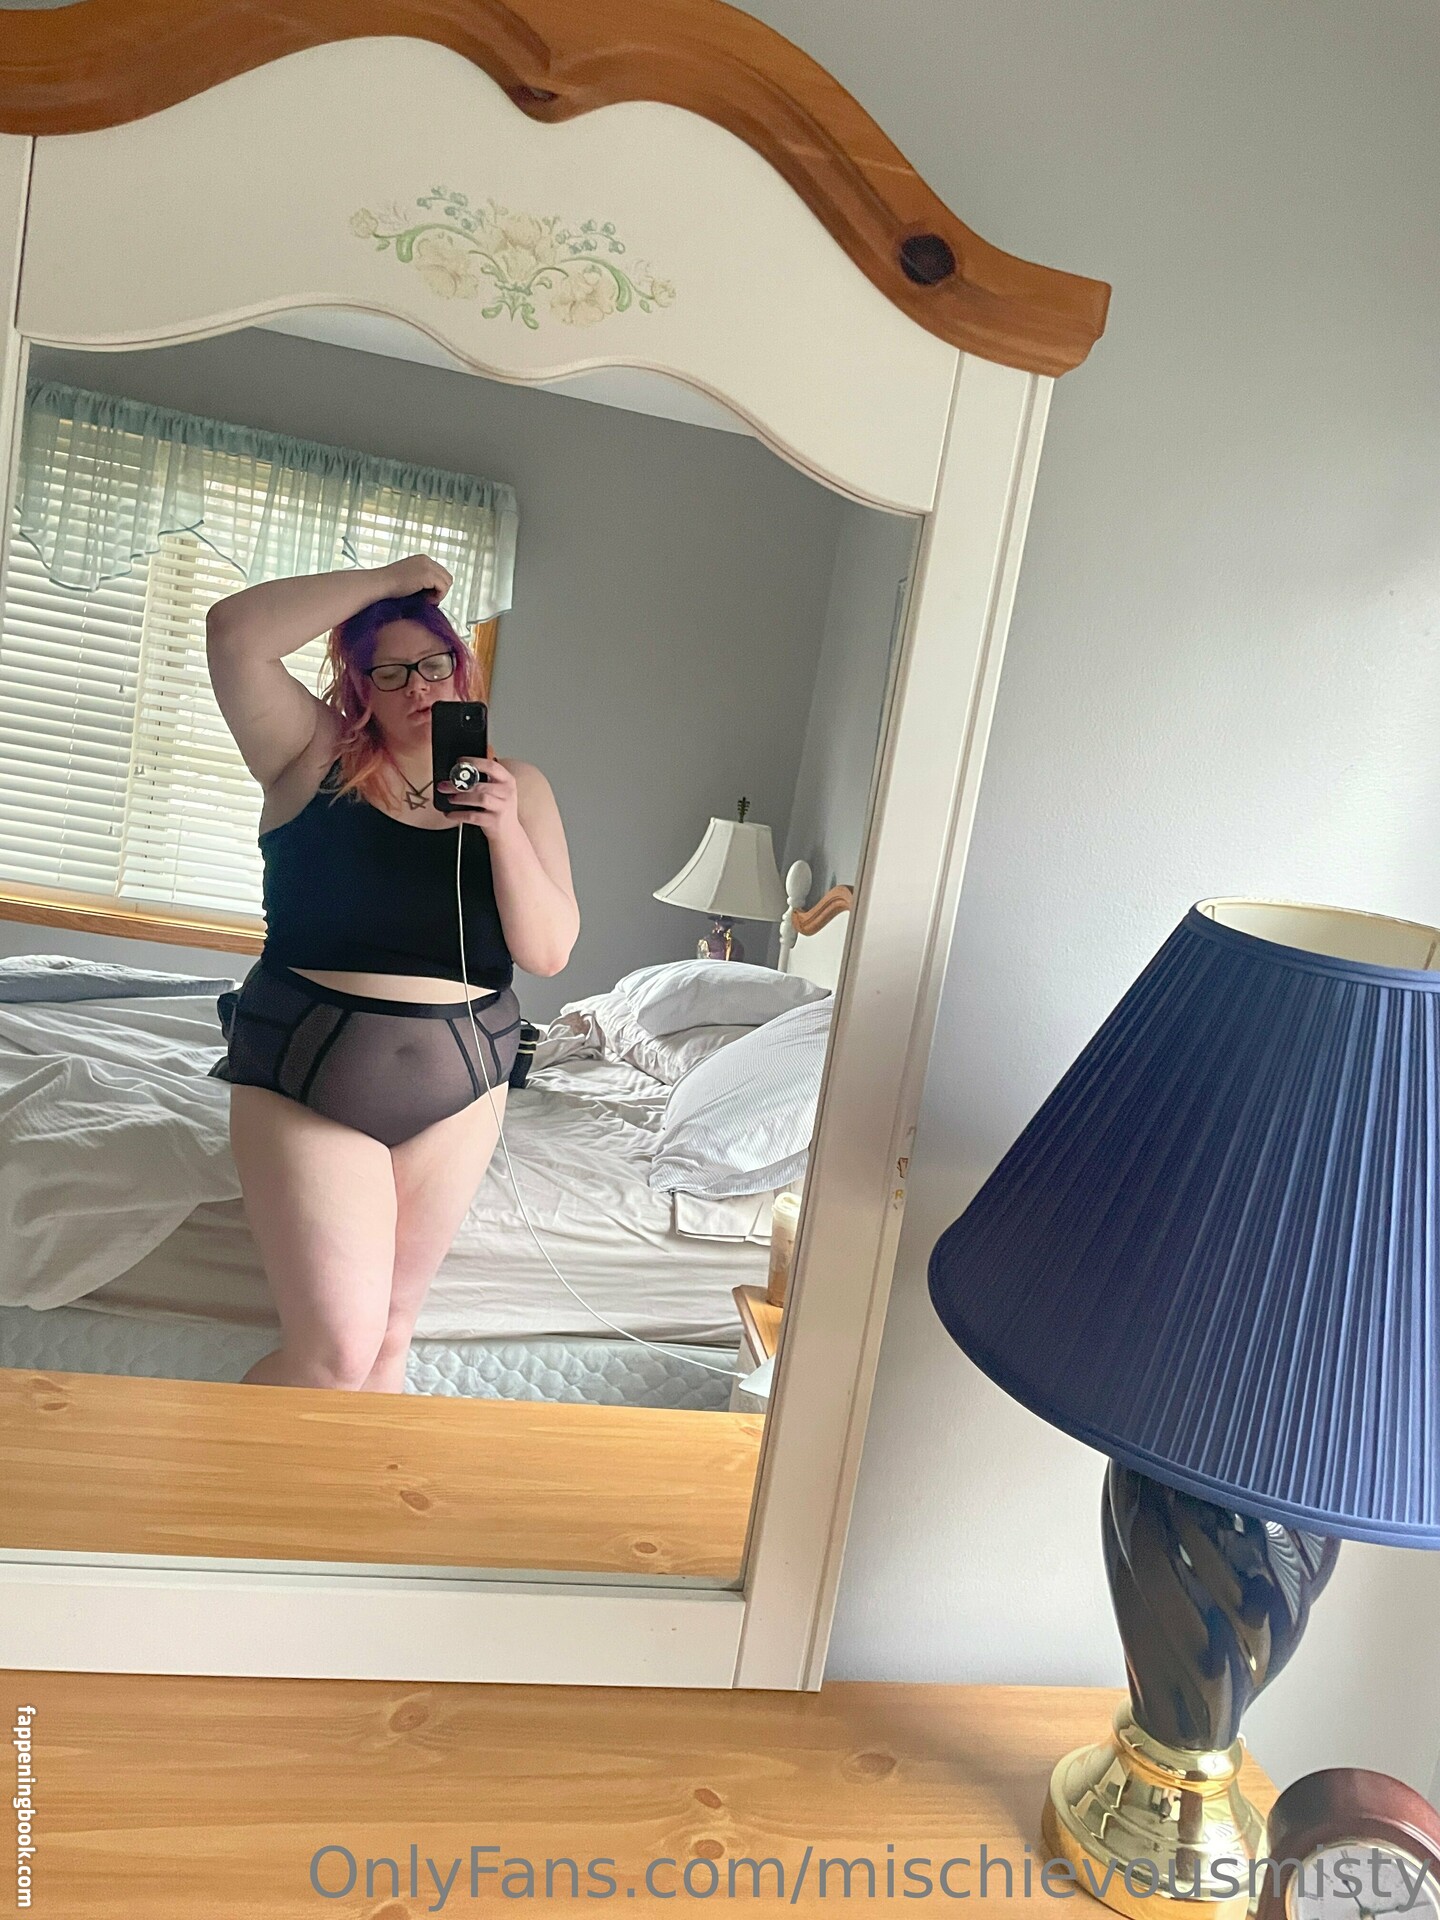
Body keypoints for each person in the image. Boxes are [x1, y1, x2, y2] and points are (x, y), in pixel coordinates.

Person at [205, 553, 578, 1393]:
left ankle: (349, 1488)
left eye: (435, 665)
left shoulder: (520, 787)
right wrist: (390, 580)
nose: (419, 687)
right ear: (359, 687)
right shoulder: (309, 754)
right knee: (335, 1353)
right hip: (304, 1072)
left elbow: (549, 950)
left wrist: (503, 828)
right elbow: (234, 633)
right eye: (391, 672)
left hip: (464, 1088)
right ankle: (208, 1483)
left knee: (386, 1343)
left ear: (463, 668)